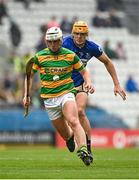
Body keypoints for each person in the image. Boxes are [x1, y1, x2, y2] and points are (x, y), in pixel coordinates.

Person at [23, 27, 95, 166]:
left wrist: (89, 82)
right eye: (50, 42)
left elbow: (84, 72)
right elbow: (29, 76)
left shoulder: (70, 55)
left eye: (56, 41)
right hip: (49, 99)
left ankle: (83, 150)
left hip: (66, 93)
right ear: (46, 41)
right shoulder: (39, 57)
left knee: (74, 120)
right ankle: (70, 138)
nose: (53, 45)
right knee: (65, 134)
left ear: (61, 40)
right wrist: (26, 95)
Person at [62, 21, 126, 163]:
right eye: (77, 34)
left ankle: (88, 148)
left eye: (82, 34)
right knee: (68, 117)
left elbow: (108, 62)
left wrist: (116, 84)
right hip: (63, 85)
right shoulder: (64, 43)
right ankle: (70, 136)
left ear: (86, 35)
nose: (79, 37)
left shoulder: (92, 47)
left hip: (81, 83)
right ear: (73, 34)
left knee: (80, 111)